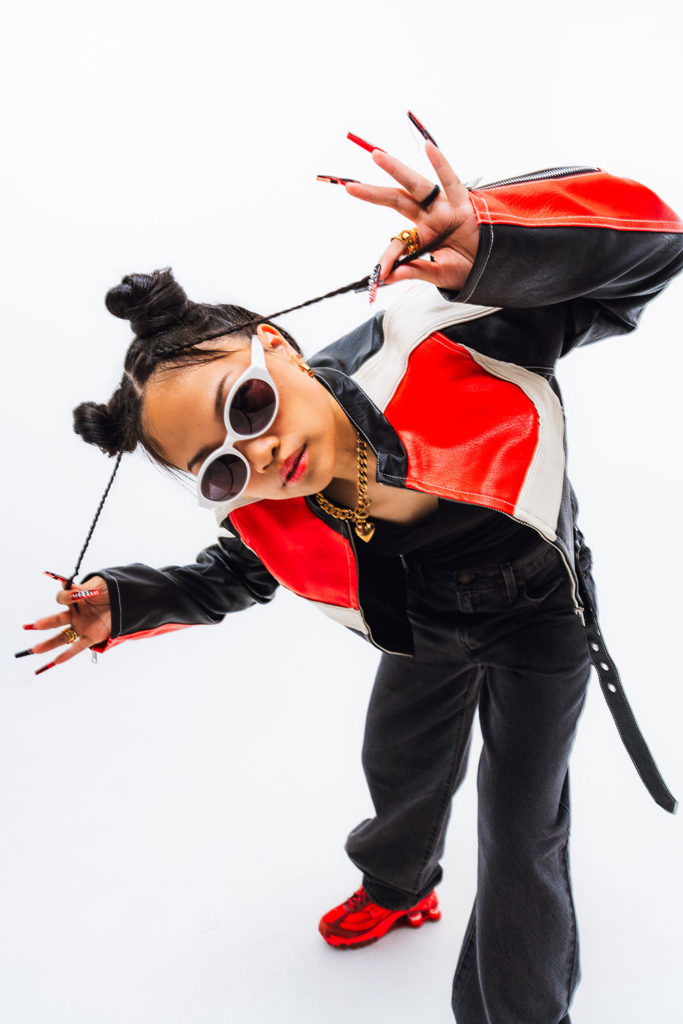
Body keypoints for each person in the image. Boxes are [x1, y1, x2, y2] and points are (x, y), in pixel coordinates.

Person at [20, 140, 683, 1024]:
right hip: (418, 618)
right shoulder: (270, 501)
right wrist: (127, 601)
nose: (257, 455)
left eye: (246, 405)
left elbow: (653, 250)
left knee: (521, 829)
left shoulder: (440, 339)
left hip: (535, 614)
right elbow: (236, 573)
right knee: (398, 759)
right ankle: (399, 883)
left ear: (274, 345)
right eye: (220, 470)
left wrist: (488, 239)